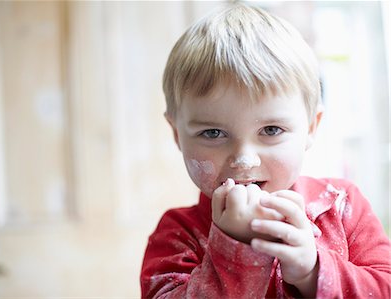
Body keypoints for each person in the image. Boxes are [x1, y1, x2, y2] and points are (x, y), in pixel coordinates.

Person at [140, 3, 391, 298]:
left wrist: (313, 271)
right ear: (177, 134)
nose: (245, 159)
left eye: (271, 130)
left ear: (311, 127)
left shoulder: (343, 208)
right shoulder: (177, 234)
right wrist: (234, 248)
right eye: (213, 133)